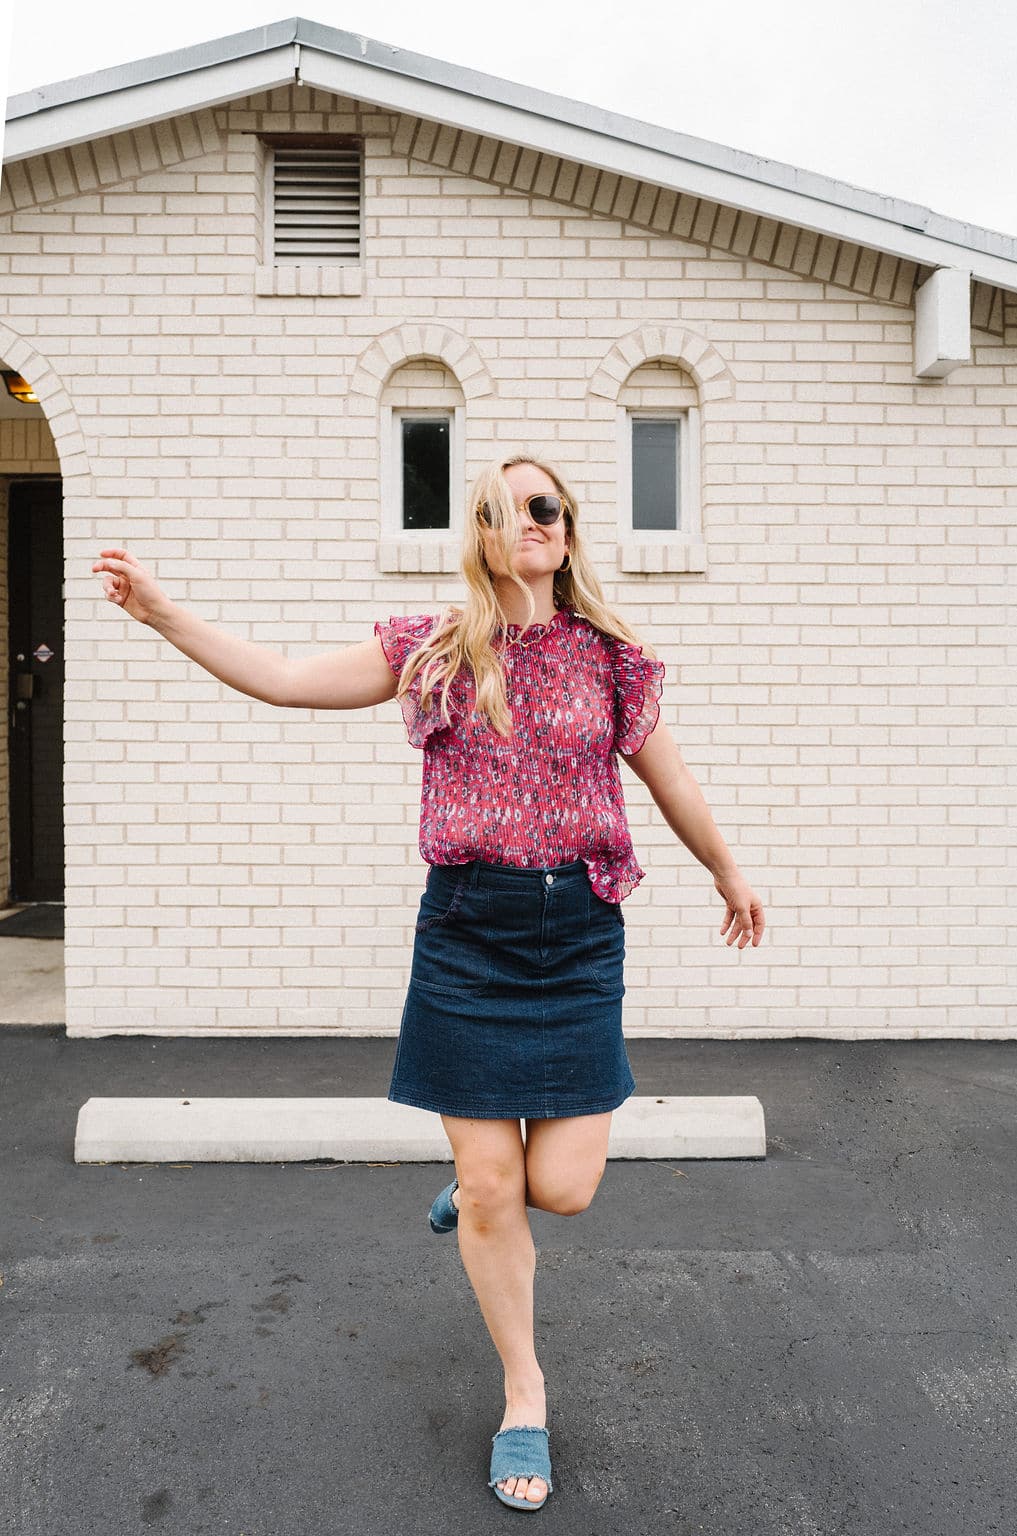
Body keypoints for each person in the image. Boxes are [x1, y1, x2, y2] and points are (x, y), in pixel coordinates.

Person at [92, 450, 765, 1512]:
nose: (529, 521)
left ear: (569, 529)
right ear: (483, 536)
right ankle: (524, 1395)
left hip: (579, 939)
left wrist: (728, 867)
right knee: (504, 1191)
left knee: (565, 1188)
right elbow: (280, 678)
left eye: (546, 505)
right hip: (468, 936)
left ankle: (471, 1185)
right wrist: (166, 614)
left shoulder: (610, 658)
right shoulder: (437, 650)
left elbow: (666, 775)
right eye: (504, 509)